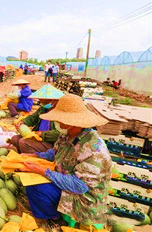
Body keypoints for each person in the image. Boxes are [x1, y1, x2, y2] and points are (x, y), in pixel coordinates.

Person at [18, 94, 111, 229]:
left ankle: (56, 219)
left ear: (68, 123)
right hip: (69, 179)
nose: (57, 123)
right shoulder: (67, 134)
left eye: (58, 120)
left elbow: (80, 186)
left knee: (37, 187)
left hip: (84, 198)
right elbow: (55, 152)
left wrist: (43, 171)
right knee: (32, 179)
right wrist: (35, 155)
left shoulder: (94, 149)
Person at [10, 84, 64, 153]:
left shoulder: (61, 114)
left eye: (45, 102)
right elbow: (33, 118)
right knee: (15, 139)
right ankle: (25, 154)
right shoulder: (43, 109)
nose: (43, 104)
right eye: (41, 102)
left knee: (23, 143)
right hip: (38, 137)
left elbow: (60, 134)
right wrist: (23, 122)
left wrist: (42, 134)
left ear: (54, 101)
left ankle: (34, 158)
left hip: (51, 143)